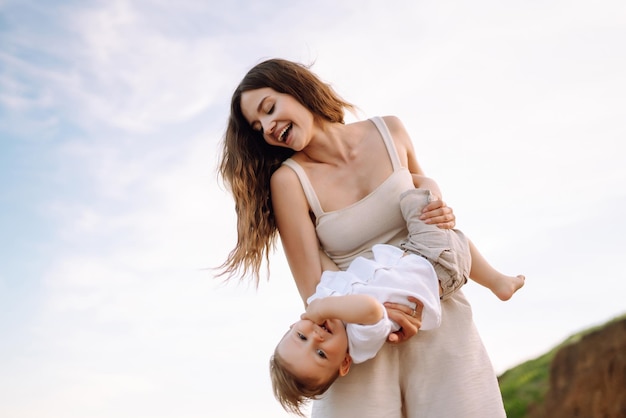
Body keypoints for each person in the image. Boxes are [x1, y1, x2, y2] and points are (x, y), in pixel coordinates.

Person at [218, 58, 509, 417]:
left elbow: (425, 201)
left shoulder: (391, 130)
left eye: (269, 108)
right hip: (358, 338)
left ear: (296, 88)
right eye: (258, 126)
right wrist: (377, 311)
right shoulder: (290, 182)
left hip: (435, 313)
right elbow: (314, 285)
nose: (268, 127)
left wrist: (440, 207)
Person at [269, 186, 524, 415]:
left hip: (408, 256)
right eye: (322, 353)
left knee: (448, 231)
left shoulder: (324, 297)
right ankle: (497, 282)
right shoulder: (358, 339)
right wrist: (323, 306)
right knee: (420, 194)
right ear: (345, 363)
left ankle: (498, 281)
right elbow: (370, 309)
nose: (316, 337)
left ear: (292, 327)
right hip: (434, 269)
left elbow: (318, 257)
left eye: (301, 337)